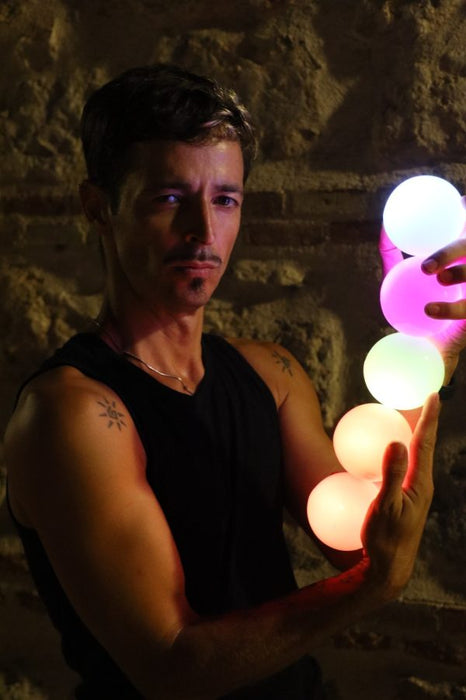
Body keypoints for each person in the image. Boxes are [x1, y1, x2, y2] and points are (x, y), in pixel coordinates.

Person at [3, 64, 464, 699]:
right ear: (98, 208)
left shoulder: (271, 376)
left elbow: (361, 537)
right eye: (169, 198)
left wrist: (428, 351)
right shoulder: (70, 414)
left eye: (224, 199)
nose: (202, 232)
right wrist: (371, 588)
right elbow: (171, 665)